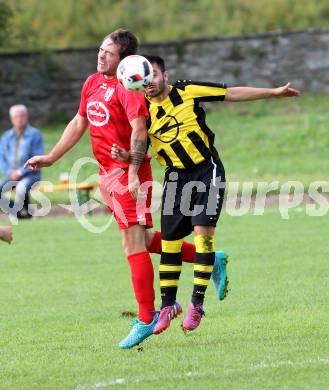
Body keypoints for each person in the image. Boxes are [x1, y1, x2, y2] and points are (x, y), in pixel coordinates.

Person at [24, 29, 228, 349]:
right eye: (101, 49)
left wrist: (132, 171)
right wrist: (51, 157)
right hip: (107, 173)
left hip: (127, 173)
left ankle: (147, 316)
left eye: (108, 52)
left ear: (124, 60)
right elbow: (80, 122)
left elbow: (139, 129)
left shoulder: (128, 86)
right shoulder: (92, 83)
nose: (101, 55)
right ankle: (210, 258)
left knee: (131, 244)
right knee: (143, 241)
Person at [113, 55, 300, 334]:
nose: (150, 83)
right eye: (145, 80)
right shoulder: (143, 113)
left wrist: (272, 93)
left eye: (154, 76)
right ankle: (167, 306)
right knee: (171, 244)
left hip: (206, 170)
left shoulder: (187, 90)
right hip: (175, 177)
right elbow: (144, 147)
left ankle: (196, 305)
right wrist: (128, 157)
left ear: (166, 75)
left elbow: (231, 93)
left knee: (202, 234)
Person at [0, 105, 44, 219]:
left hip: (31, 174)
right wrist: (10, 172)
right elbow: (2, 159)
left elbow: (37, 158)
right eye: (16, 117)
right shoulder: (6, 137)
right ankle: (19, 211)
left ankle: (25, 213)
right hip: (10, 175)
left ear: (27, 117)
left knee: (21, 187)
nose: (19, 119)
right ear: (11, 119)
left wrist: (20, 172)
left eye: (22, 116)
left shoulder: (35, 135)